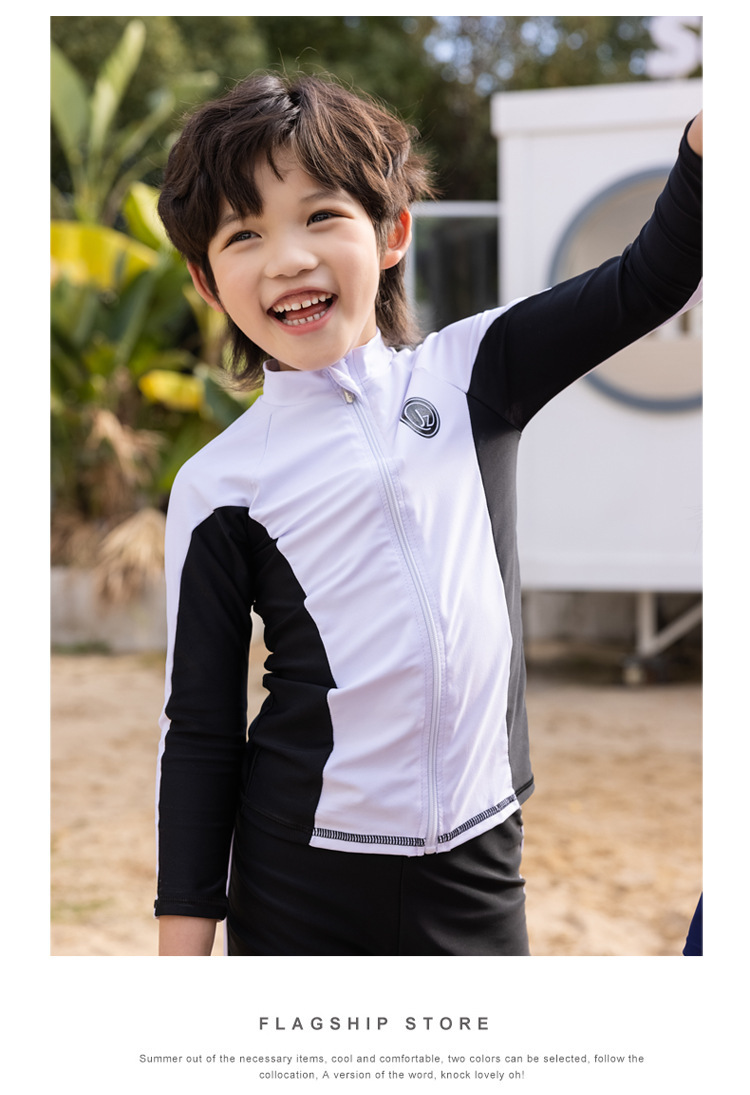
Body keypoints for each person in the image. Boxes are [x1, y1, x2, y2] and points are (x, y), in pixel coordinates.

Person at [153, 72, 702, 956]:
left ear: (393, 232)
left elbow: (650, 280)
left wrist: (708, 146)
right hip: (300, 875)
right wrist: (179, 960)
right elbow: (202, 731)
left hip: (478, 863)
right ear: (207, 282)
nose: (287, 258)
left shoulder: (475, 371)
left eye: (321, 215)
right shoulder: (218, 483)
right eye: (243, 234)